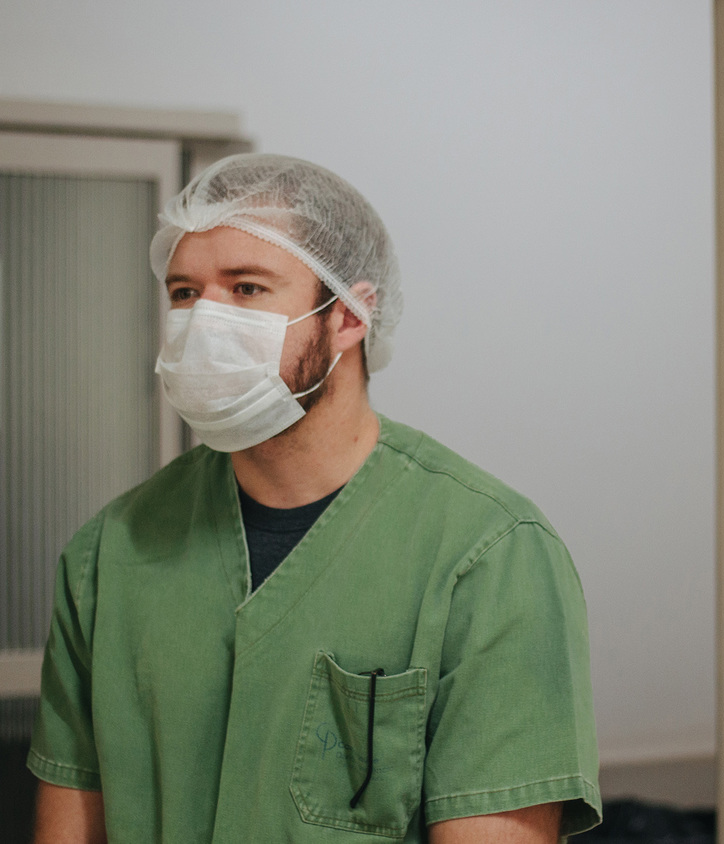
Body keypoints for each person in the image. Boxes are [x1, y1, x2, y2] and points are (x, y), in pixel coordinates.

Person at [26, 153, 601, 843]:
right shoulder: (109, 554)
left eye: (246, 288)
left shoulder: (489, 557)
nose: (204, 321)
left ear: (349, 316)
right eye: (184, 292)